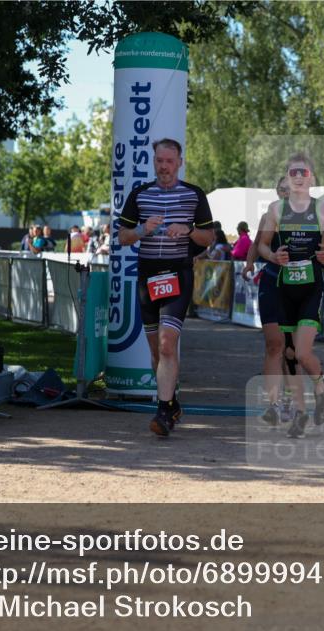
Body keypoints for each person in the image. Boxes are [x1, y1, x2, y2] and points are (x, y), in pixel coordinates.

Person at [117, 138, 215, 437]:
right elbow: (122, 237)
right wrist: (141, 229)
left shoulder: (194, 195)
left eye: (169, 161)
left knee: (167, 343)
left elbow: (209, 238)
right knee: (156, 351)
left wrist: (188, 230)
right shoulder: (140, 195)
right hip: (147, 276)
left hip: (178, 273)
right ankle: (171, 403)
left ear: (179, 163)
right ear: (154, 161)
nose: (164, 167)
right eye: (159, 161)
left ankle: (162, 413)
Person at [256, 153, 324, 437]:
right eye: (293, 172)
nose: (297, 177)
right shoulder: (275, 210)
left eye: (303, 172)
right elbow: (262, 245)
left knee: (303, 353)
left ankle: (321, 386)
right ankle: (300, 414)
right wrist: (273, 256)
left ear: (311, 178)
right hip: (283, 287)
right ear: (287, 176)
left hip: (310, 287)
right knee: (289, 354)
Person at [243, 177, 304, 427]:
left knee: (292, 349)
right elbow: (258, 243)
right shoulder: (269, 215)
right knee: (273, 345)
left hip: (299, 285)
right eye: (283, 190)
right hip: (271, 282)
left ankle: (292, 400)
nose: (288, 194)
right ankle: (273, 403)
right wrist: (249, 263)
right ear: (278, 192)